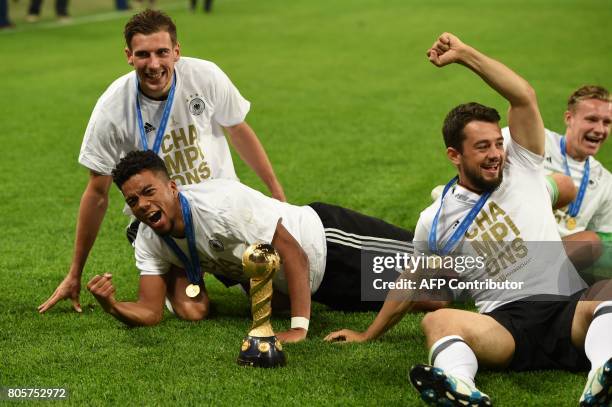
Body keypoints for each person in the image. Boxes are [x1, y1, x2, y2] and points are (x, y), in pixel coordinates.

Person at [326, 33, 612, 406]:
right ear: (453, 155)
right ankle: (462, 389)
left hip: (566, 309)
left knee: (606, 290)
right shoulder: (436, 218)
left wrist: (465, 56)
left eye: (497, 143)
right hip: (505, 326)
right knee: (437, 321)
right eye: (482, 147)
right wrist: (369, 333)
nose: (496, 154)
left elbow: (522, 95)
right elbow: (411, 279)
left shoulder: (522, 165)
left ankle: (602, 373)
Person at [38, 9, 285, 314]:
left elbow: (238, 130)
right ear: (129, 56)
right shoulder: (112, 108)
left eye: (161, 52)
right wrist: (75, 272)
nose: (153, 65)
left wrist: (277, 195)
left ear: (176, 52)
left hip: (219, 211)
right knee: (194, 311)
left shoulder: (205, 76)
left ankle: (215, 266)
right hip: (162, 221)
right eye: (143, 54)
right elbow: (97, 193)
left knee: (278, 300)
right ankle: (178, 273)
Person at [87, 150, 419, 343]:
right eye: (133, 200)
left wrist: (298, 330)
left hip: (330, 241)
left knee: (440, 272)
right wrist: (111, 305)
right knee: (426, 299)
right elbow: (149, 310)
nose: (142, 205)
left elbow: (293, 253)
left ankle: (452, 212)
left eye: (149, 192)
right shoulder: (148, 239)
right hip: (322, 288)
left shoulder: (221, 204)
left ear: (172, 187)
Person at [503, 86, 612, 270]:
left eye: (607, 122)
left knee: (591, 241)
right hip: (511, 235)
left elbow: (605, 239)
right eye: (591, 119)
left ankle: (528, 277)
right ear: (569, 118)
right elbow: (485, 153)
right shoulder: (538, 140)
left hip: (554, 256)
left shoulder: (606, 182)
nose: (600, 129)